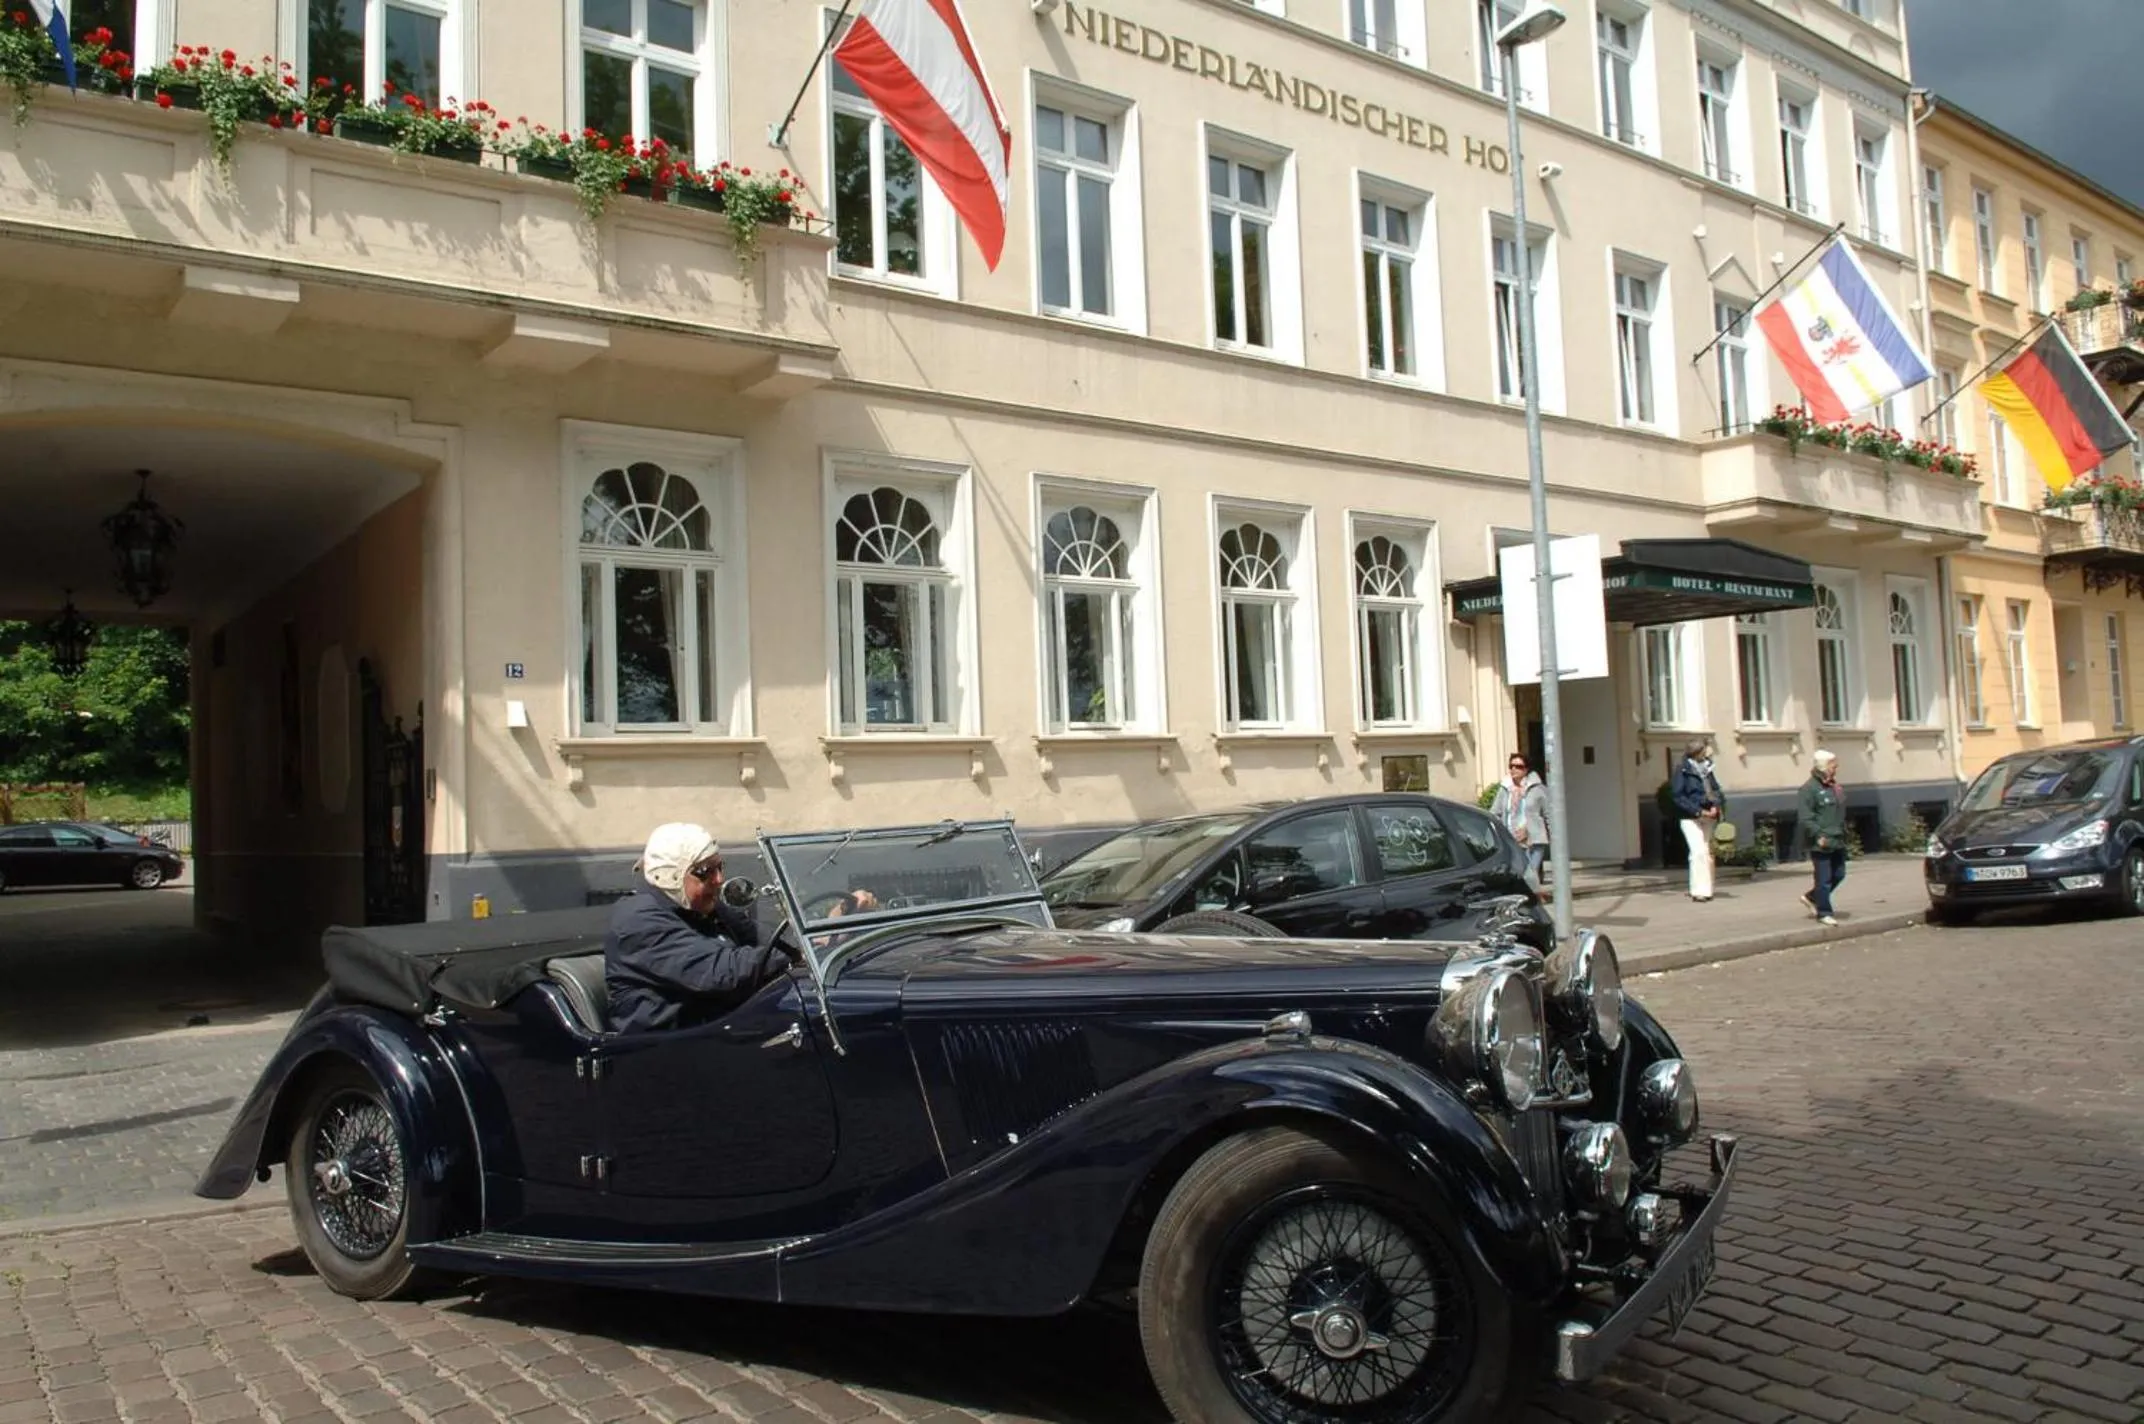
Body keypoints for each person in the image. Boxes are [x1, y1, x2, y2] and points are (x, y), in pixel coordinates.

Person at [605, 823, 793, 1034]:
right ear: (670, 875)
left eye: (720, 867)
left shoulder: (703, 906)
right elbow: (719, 972)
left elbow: (761, 936)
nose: (719, 879)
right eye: (704, 872)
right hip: (666, 1048)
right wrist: (792, 957)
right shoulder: (639, 921)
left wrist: (812, 943)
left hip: (718, 1031)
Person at [1797, 749, 1849, 926]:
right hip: (1821, 841)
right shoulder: (1809, 789)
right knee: (1824, 879)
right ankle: (1824, 912)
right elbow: (1805, 817)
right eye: (1833, 766)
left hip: (1837, 838)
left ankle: (1812, 897)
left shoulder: (1834, 786)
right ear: (1823, 767)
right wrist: (1818, 834)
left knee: (1839, 873)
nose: (1836, 769)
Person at [1670, 740, 1725, 903]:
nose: (1707, 753)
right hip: (1690, 816)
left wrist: (1716, 805)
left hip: (1708, 814)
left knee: (1707, 853)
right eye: (1704, 750)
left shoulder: (1708, 768)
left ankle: (1707, 889)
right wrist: (1698, 811)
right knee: (1698, 851)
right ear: (1697, 752)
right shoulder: (1683, 770)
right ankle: (1698, 890)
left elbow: (1715, 789)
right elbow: (1678, 796)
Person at [1489, 752, 1550, 888]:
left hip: (1534, 839)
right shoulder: (1505, 789)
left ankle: (1533, 903)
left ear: (1526, 769)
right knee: (1521, 877)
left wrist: (1554, 839)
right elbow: (1494, 813)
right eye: (1511, 766)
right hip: (1512, 839)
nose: (1514, 769)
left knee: (1530, 876)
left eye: (1518, 766)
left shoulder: (1538, 789)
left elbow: (1548, 814)